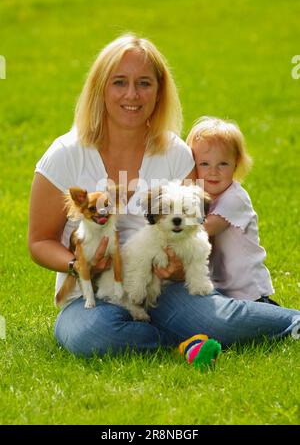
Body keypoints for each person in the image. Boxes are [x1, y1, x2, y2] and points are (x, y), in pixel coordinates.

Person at [28, 33, 300, 358]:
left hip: (162, 289)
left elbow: (190, 227)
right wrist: (77, 264)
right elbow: (40, 241)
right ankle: (182, 339)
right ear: (100, 88)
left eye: (144, 83)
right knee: (95, 337)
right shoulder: (66, 154)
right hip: (94, 295)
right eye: (119, 82)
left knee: (218, 319)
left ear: (159, 91)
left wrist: (179, 271)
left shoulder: (175, 153)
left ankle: (290, 324)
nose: (132, 94)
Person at [186, 116, 279, 304]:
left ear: (236, 164)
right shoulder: (200, 196)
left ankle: (286, 318)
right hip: (222, 289)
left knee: (254, 322)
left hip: (248, 291)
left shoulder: (235, 198)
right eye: (204, 164)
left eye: (223, 164)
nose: (213, 171)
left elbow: (205, 229)